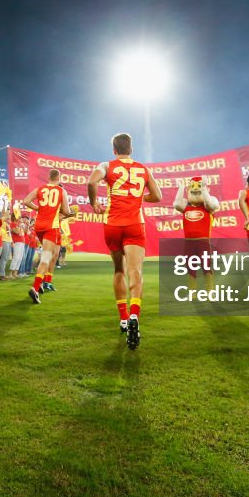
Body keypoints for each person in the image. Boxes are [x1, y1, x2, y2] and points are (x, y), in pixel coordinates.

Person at [88, 133, 161, 350]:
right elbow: (157, 196)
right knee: (136, 271)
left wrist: (94, 203)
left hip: (112, 224)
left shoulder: (106, 165)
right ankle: (135, 316)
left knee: (118, 270)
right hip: (134, 225)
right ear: (131, 148)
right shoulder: (143, 169)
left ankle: (123, 317)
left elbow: (92, 181)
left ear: (114, 150)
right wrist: (140, 198)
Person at [23, 169, 73, 303]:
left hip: (39, 226)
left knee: (53, 254)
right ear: (59, 178)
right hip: (51, 227)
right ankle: (35, 287)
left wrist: (39, 209)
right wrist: (69, 212)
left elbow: (26, 201)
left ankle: (44, 282)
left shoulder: (40, 189)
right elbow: (67, 211)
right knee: (46, 257)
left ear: (48, 177)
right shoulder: (61, 191)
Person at [175, 176, 220, 290]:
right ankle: (192, 291)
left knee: (206, 266)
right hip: (188, 243)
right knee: (190, 267)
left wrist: (204, 188)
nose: (196, 190)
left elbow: (212, 205)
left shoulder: (207, 205)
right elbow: (177, 205)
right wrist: (181, 188)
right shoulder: (186, 205)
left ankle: (210, 290)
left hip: (203, 242)